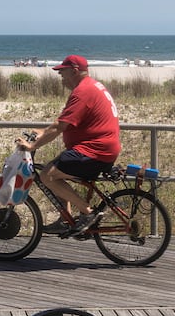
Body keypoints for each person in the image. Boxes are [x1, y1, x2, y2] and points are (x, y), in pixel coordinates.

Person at [17, 55, 120, 237]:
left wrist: (32, 147)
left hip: (95, 151)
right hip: (98, 148)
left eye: (62, 71)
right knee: (56, 170)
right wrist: (42, 132)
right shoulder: (91, 86)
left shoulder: (83, 92)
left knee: (48, 175)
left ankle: (88, 213)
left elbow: (60, 127)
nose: (60, 76)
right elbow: (62, 121)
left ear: (74, 71)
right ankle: (65, 219)